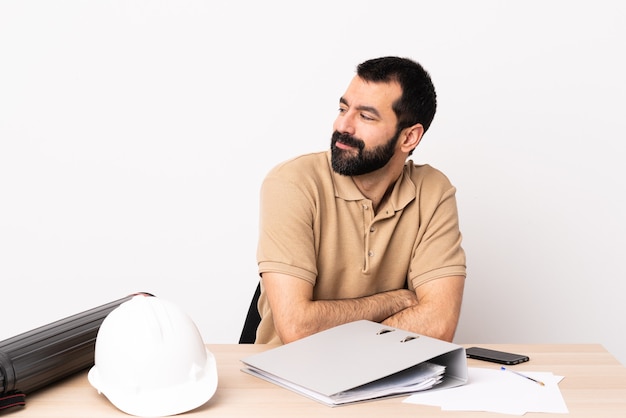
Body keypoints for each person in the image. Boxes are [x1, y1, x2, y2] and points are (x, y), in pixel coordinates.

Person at [255, 56, 466, 345]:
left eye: (366, 116)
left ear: (409, 138)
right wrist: (393, 301)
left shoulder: (433, 191)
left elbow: (439, 325)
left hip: (387, 377)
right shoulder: (292, 183)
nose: (343, 125)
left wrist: (332, 326)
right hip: (287, 377)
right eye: (343, 108)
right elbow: (297, 327)